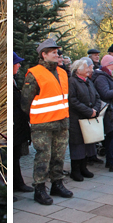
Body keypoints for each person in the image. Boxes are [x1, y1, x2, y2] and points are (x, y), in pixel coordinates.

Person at [22, 38, 74, 205]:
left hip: (61, 122)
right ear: (43, 55)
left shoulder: (63, 73)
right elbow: (25, 102)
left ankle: (57, 184)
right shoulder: (34, 73)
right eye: (53, 52)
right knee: (43, 156)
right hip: (42, 124)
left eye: (57, 52)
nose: (56, 54)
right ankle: (39, 188)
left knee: (59, 156)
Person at [67, 58, 101, 182]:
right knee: (77, 145)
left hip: (89, 117)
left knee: (87, 143)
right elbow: (73, 100)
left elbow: (97, 97)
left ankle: (83, 167)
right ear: (78, 70)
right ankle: (75, 170)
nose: (88, 70)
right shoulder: (72, 82)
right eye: (86, 67)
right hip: (77, 119)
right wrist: (88, 111)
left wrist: (95, 110)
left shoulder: (88, 81)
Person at [13, 52, 34, 192]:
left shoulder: (13, 80)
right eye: (16, 63)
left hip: (19, 126)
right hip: (14, 126)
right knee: (13, 156)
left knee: (16, 156)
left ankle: (18, 183)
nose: (19, 65)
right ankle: (16, 185)